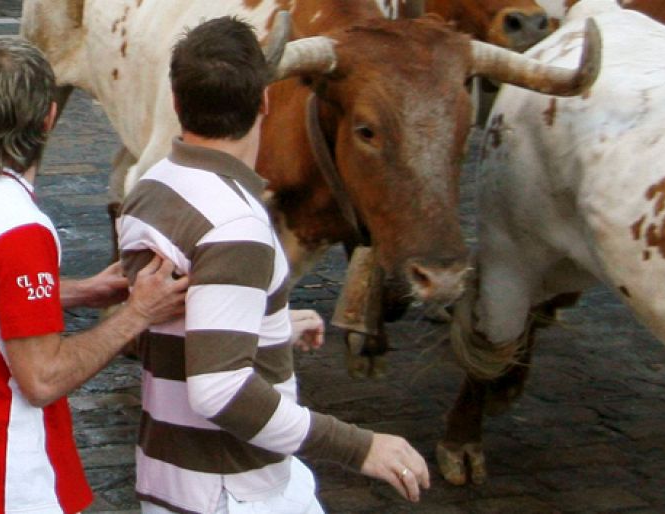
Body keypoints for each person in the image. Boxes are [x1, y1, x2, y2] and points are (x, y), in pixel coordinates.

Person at [117, 16, 430, 514]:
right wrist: (361, 446)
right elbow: (220, 391)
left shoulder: (149, 190)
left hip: (170, 478)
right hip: (232, 492)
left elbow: (167, 329)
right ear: (264, 101)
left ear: (177, 102)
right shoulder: (236, 225)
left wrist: (266, 328)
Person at [0, 39, 188, 513]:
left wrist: (80, 292)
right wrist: (136, 313)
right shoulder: (19, 228)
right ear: (49, 118)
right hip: (10, 481)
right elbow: (43, 379)